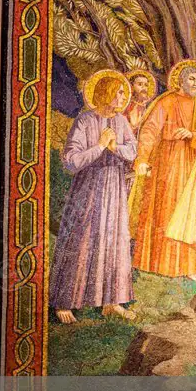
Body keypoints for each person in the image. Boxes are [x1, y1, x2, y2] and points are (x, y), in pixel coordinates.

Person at [49, 70, 137, 325]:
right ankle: (64, 302)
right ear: (105, 92)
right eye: (118, 92)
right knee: (82, 239)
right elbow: (70, 161)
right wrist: (99, 146)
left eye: (123, 92)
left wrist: (115, 147)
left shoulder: (121, 122)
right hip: (89, 189)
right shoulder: (85, 120)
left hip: (114, 188)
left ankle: (112, 301)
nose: (122, 97)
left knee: (114, 238)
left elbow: (132, 150)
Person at [133, 60, 196, 281]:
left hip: (190, 164)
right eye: (191, 79)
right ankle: (161, 263)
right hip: (166, 164)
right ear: (181, 80)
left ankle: (190, 265)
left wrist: (193, 134)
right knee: (165, 210)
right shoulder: (167, 101)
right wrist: (142, 157)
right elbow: (150, 130)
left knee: (191, 211)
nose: (195, 83)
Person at [124, 70, 156, 135]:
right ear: (131, 86)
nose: (143, 87)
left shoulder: (151, 106)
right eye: (140, 84)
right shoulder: (126, 106)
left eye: (146, 85)